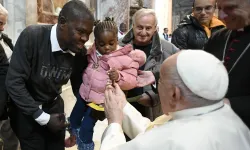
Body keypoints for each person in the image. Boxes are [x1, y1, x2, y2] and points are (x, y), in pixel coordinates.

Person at [100, 50, 250, 150]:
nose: (158, 88)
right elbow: (152, 133)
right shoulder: (228, 121)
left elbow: (159, 140)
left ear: (174, 94)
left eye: (160, 82)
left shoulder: (174, 140)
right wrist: (123, 106)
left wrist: (114, 124)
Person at [5, 1, 95, 150]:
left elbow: (79, 87)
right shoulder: (32, 37)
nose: (85, 38)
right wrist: (43, 117)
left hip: (55, 110)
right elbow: (14, 82)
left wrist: (78, 124)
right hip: (26, 111)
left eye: (88, 34)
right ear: (62, 23)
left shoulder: (78, 52)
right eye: (81, 32)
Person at [64, 17, 152, 150]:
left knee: (86, 128)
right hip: (84, 93)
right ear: (96, 42)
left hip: (100, 101)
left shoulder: (125, 58)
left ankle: (85, 146)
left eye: (111, 43)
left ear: (117, 40)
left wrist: (119, 76)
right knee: (74, 119)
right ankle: (74, 136)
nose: (106, 48)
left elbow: (132, 79)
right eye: (101, 44)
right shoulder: (93, 52)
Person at [120, 8, 179, 120]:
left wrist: (154, 97)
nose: (143, 32)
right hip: (124, 109)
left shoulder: (168, 50)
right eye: (139, 27)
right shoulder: (118, 47)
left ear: (155, 29)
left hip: (154, 111)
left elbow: (176, 79)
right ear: (133, 25)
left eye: (148, 28)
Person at [204, 0, 250, 129]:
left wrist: (231, 104)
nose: (221, 16)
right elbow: (198, 70)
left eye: (230, 8)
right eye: (219, 8)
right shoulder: (218, 37)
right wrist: (156, 76)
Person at [0, 4, 19, 150]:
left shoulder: (5, 39)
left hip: (10, 98)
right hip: (1, 102)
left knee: (11, 139)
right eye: (0, 23)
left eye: (4, 23)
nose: (2, 28)